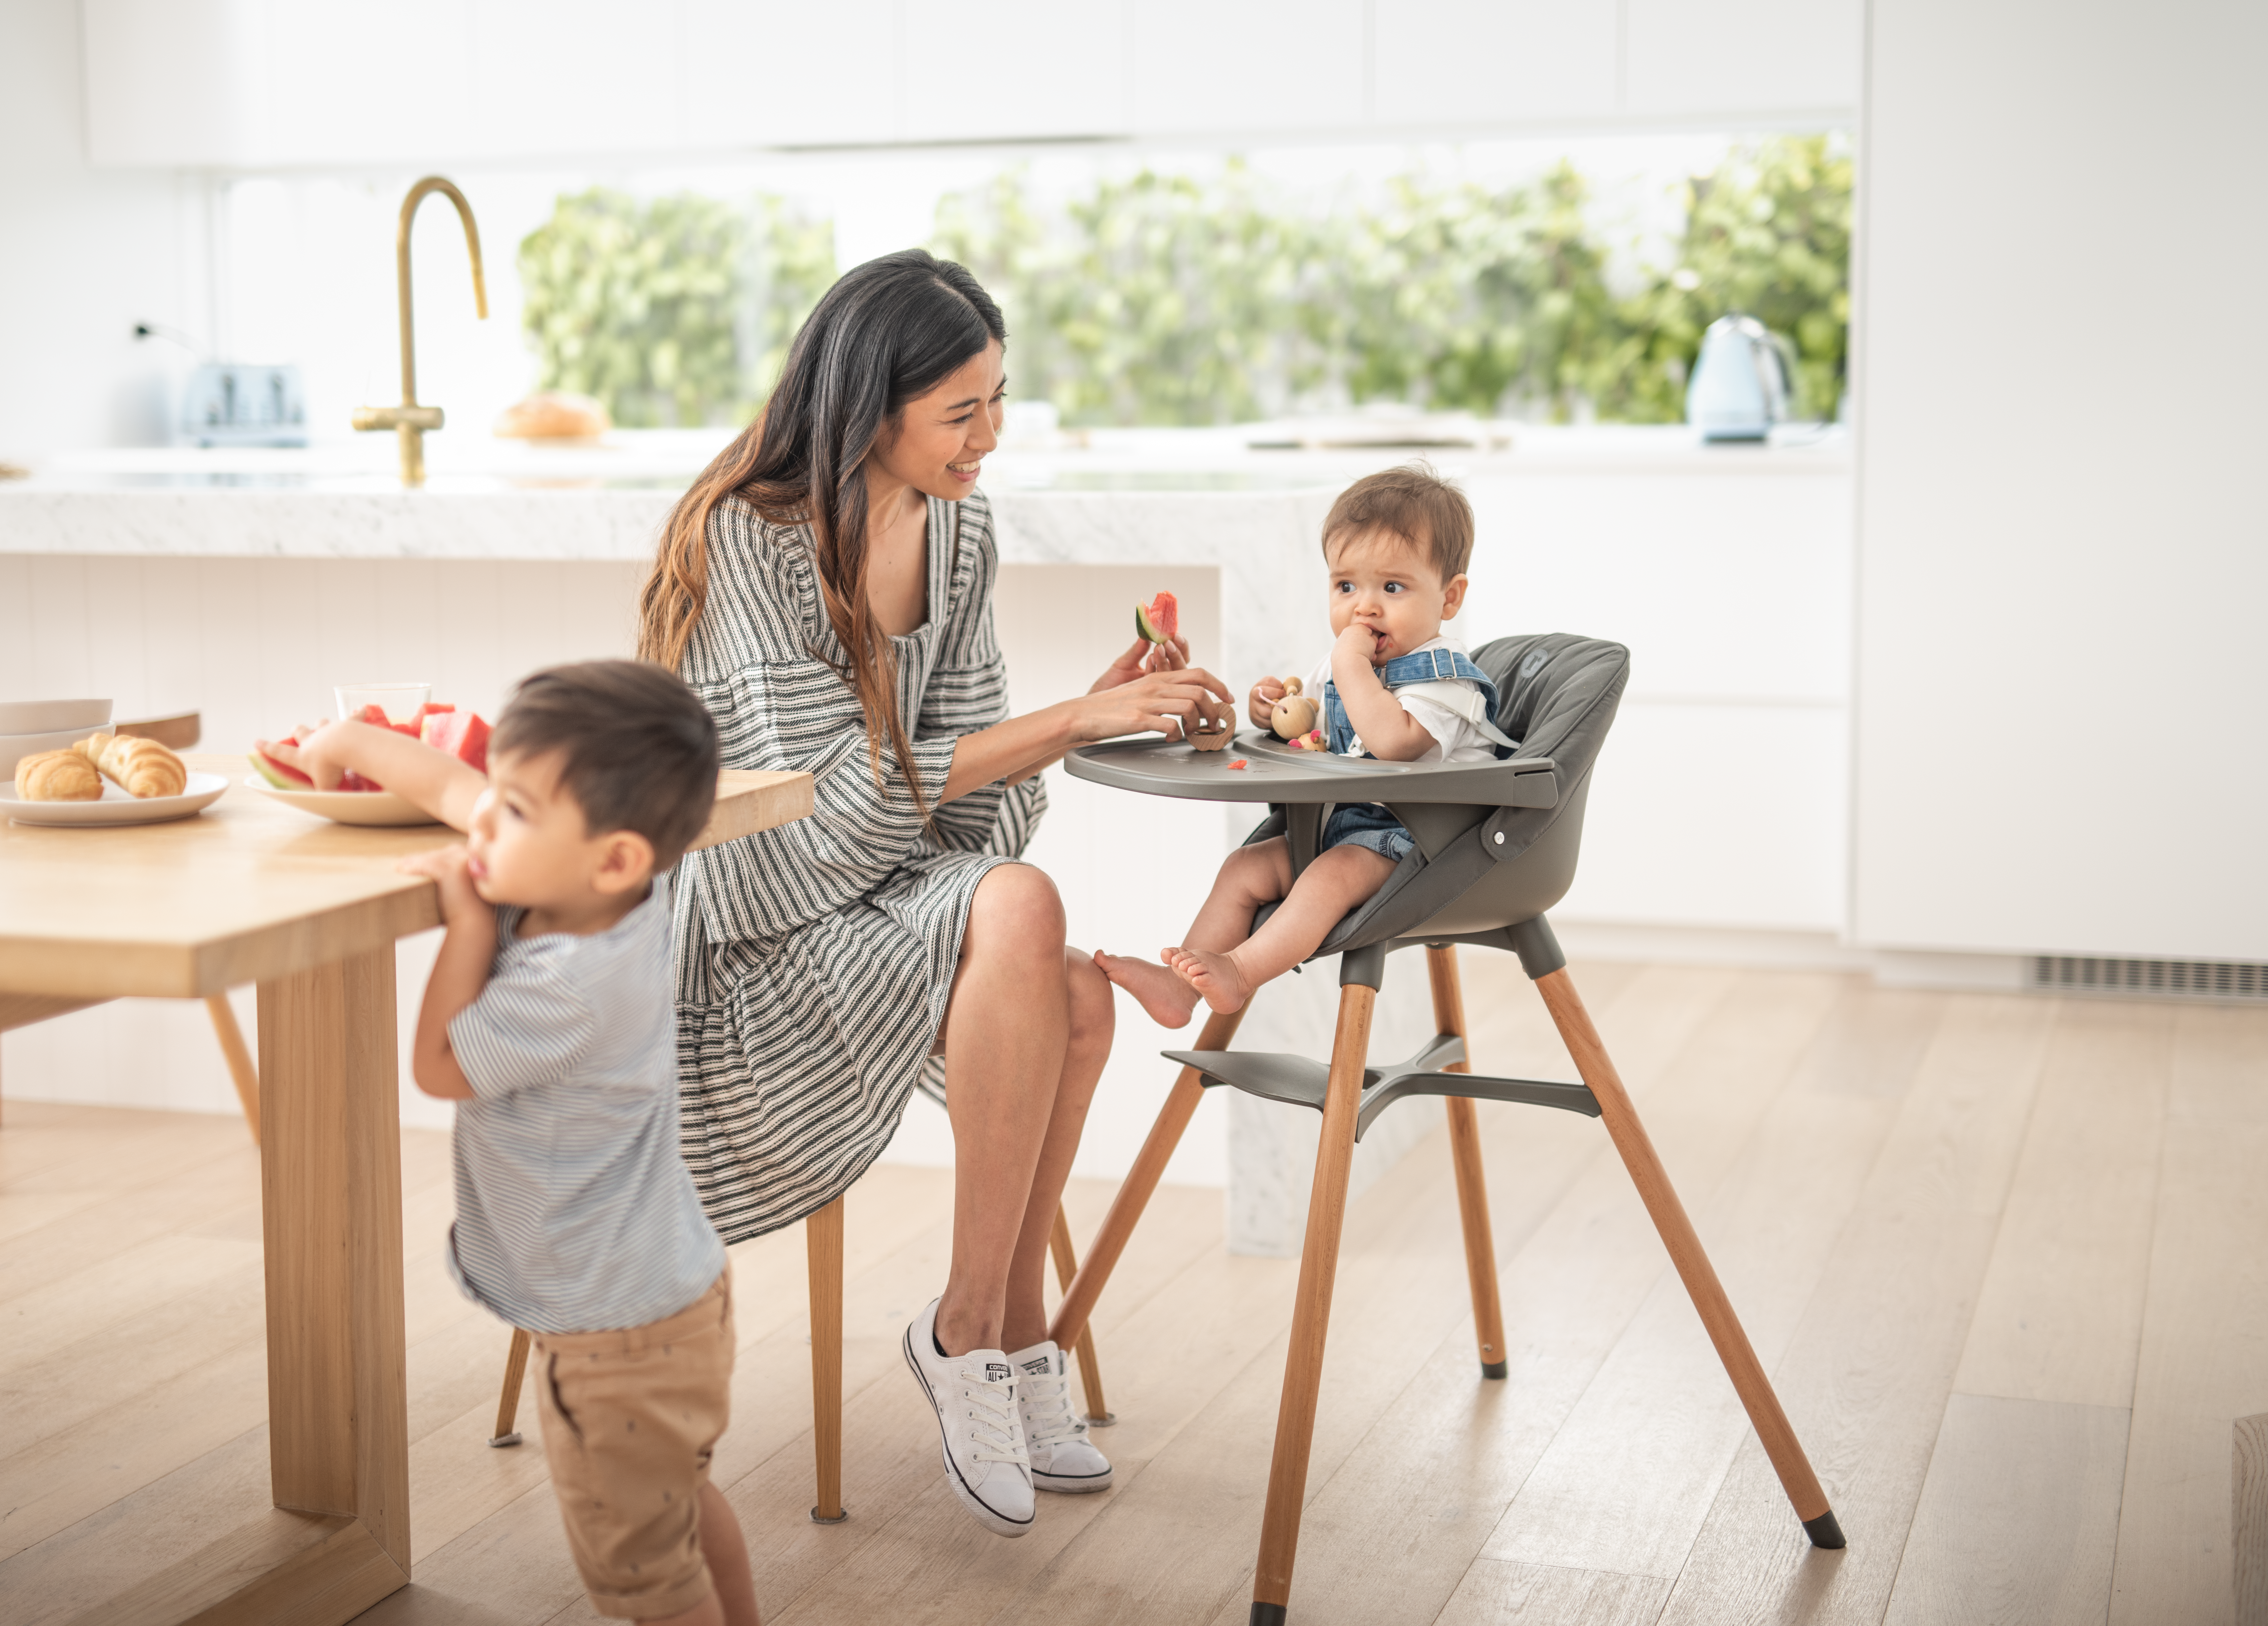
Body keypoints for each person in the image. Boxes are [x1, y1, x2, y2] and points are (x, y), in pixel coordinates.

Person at [637, 250, 1230, 1538]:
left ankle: (989, 1332)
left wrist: (1074, 715)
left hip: (894, 888)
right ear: (868, 405)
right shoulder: (748, 534)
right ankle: (988, 1332)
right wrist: (1072, 717)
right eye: (962, 411)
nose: (991, 438)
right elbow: (812, 807)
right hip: (754, 914)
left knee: (1061, 971)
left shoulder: (962, 532)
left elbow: (971, 811)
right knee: (1030, 923)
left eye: (999, 402)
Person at [263, 662, 760, 1626]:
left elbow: (443, 1064)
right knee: (680, 1510)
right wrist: (353, 745)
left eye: (515, 814)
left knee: (645, 1575)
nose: (482, 826)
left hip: (613, 1338)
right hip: (667, 1301)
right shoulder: (612, 891)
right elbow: (461, 791)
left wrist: (461, 924)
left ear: (610, 858)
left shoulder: (569, 984)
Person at [1097, 464, 1513, 1028]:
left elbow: (1394, 741)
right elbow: (1310, 727)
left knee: (1330, 874)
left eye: (1392, 588)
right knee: (1245, 868)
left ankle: (1240, 974)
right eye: (1346, 586)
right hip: (1348, 825)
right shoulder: (1345, 662)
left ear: (1450, 597)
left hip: (1425, 843)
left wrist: (1349, 664)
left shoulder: (1445, 678)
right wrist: (1272, 713)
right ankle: (1177, 991)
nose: (1364, 608)